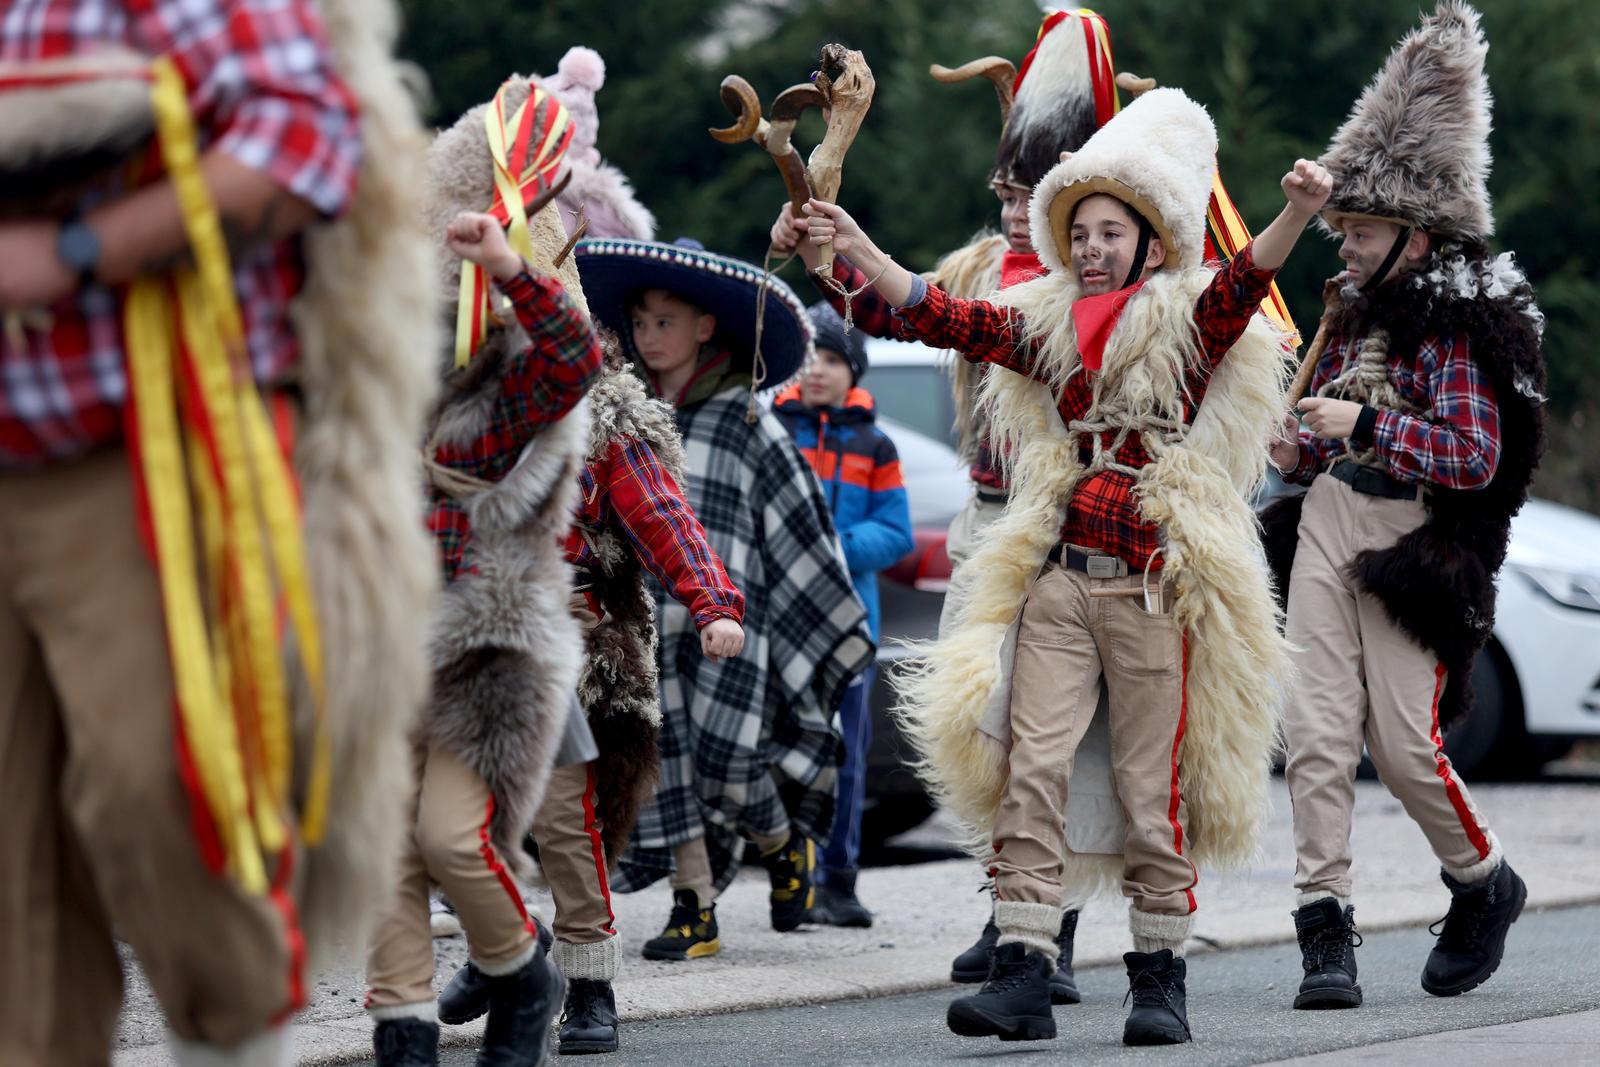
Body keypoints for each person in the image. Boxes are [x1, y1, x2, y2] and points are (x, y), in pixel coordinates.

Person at [801, 88, 1322, 1045]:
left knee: (1149, 785)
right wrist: (857, 248)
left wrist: (1295, 209)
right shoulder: (1042, 324)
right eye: (1078, 230)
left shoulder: (1188, 322)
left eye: (1109, 231)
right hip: (1060, 578)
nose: (1089, 248)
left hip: (1157, 586)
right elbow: (942, 316)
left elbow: (1245, 284)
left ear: (1152, 243)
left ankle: (1159, 978)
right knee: (1028, 769)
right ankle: (1024, 970)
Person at [0, 1, 439, 1063]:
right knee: (14, 862)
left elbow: (303, 139)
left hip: (148, 450)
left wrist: (72, 246)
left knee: (165, 783)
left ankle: (237, 1034)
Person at [1260, 0, 1544, 1011]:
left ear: (1415, 235)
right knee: (1316, 733)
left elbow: (1471, 455)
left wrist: (1364, 427)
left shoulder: (1466, 326)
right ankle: (1323, 936)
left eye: (1361, 229)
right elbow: (1308, 437)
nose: (1343, 244)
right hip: (1332, 516)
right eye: (1341, 227)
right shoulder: (1344, 314)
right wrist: (1296, 445)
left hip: (1412, 540)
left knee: (1406, 746)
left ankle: (1483, 880)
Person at [363, 78, 602, 1067]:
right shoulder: (364, 378)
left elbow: (573, 359)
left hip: (482, 646)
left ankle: (523, 968)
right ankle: (401, 1027)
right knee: (380, 854)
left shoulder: (510, 373)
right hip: (371, 640)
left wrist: (507, 265)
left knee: (454, 837)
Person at [575, 235, 873, 958]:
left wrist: (781, 607)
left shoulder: (745, 417)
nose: (650, 338)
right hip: (650, 618)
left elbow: (800, 528)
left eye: (665, 322)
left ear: (706, 325)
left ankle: (782, 844)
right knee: (666, 754)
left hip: (735, 621)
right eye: (640, 324)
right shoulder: (630, 417)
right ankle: (694, 905)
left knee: (732, 756)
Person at [772, 302, 915, 926]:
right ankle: (790, 874)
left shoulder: (874, 443)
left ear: (853, 370)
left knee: (845, 757)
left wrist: (833, 548)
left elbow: (896, 533)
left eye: (832, 359)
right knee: (778, 751)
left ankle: (839, 878)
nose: (819, 370)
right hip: (778, 629)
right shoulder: (772, 434)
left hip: (850, 631)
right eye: (809, 358)